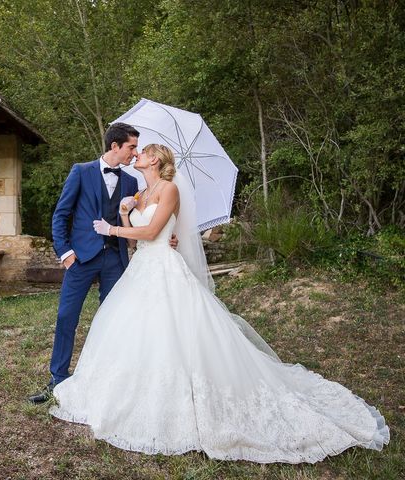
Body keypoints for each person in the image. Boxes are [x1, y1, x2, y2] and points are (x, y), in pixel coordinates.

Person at [48, 144, 389, 463]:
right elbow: (141, 231)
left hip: (165, 269)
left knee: (173, 329)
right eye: (134, 149)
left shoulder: (169, 190)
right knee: (135, 331)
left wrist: (112, 230)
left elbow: (153, 233)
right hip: (141, 269)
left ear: (155, 160)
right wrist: (124, 213)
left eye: (143, 152)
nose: (137, 155)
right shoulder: (140, 192)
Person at [27, 123, 143, 404]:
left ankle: (108, 379)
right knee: (67, 316)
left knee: (114, 320)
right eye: (131, 147)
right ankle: (58, 378)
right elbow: (61, 214)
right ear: (114, 146)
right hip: (81, 258)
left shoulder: (131, 182)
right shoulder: (81, 171)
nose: (135, 153)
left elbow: (140, 221)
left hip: (115, 259)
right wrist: (65, 252)